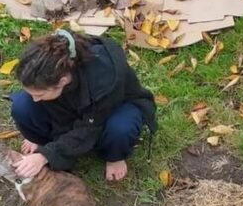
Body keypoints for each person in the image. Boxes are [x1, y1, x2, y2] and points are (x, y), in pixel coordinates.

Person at [9, 29, 157, 182]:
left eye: (39, 94)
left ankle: (114, 156)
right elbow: (35, 99)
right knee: (22, 106)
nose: (35, 99)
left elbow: (89, 128)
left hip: (110, 110)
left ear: (63, 81)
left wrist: (45, 155)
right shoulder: (49, 68)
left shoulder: (104, 80)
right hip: (74, 106)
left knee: (120, 128)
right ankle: (41, 139)